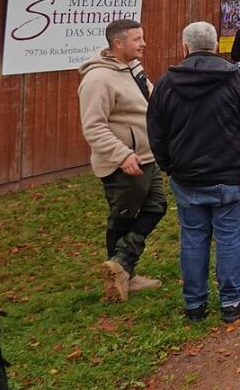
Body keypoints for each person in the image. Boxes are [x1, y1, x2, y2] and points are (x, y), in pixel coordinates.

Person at [147, 22, 240, 323]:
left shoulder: (166, 83)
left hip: (188, 176)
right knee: (229, 237)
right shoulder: (238, 81)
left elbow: (156, 133)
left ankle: (195, 304)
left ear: (185, 47)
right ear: (216, 44)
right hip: (228, 175)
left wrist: (169, 165)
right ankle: (231, 301)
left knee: (193, 239)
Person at [78, 19, 166, 303]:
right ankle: (118, 274)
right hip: (123, 163)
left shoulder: (134, 69)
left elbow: (153, 101)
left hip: (146, 156)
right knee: (123, 217)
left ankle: (122, 266)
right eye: (137, 39)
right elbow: (93, 126)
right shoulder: (97, 79)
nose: (143, 43)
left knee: (156, 207)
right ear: (118, 43)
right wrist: (122, 155)